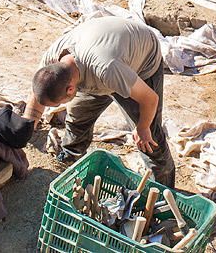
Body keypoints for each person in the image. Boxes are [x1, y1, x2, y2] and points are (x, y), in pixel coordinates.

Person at [22, 16, 175, 187]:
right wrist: (24, 129)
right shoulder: (51, 63)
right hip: (103, 58)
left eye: (58, 104)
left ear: (71, 89)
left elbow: (150, 99)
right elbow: (37, 97)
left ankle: (162, 188)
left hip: (140, 61)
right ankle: (70, 155)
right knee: (78, 115)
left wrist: (143, 127)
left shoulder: (107, 69)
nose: (58, 107)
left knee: (149, 140)